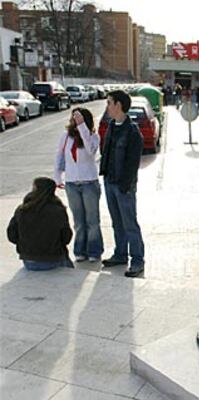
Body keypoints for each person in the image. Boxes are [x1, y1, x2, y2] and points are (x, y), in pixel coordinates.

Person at [100, 90, 145, 278]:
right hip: (109, 182)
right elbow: (107, 153)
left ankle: (137, 260)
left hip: (123, 186)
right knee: (116, 222)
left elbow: (133, 163)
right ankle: (120, 254)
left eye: (109, 103)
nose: (107, 107)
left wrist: (125, 185)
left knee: (129, 223)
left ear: (118, 105)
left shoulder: (133, 131)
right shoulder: (111, 126)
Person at [54, 107, 103, 263]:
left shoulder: (93, 137)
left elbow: (90, 151)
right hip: (72, 183)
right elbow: (60, 155)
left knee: (92, 221)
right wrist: (57, 176)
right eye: (74, 118)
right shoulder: (65, 136)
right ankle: (80, 250)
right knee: (79, 221)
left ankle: (94, 251)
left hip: (89, 183)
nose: (75, 121)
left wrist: (83, 127)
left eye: (79, 118)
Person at [7, 177, 73, 271]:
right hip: (53, 259)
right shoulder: (58, 210)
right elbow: (66, 238)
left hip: (28, 259)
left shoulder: (22, 209)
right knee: (69, 268)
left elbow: (11, 235)